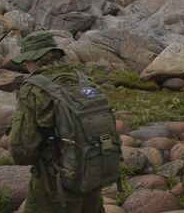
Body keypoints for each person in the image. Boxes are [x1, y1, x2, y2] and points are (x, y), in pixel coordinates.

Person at [9, 31, 111, 213]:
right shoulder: (82, 79)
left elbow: (21, 151)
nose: (24, 64)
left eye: (26, 59)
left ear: (35, 58)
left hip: (54, 183)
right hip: (92, 174)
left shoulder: (34, 88)